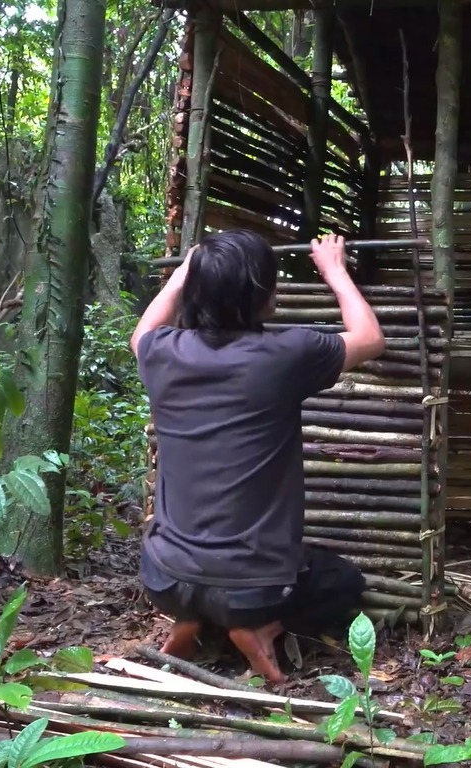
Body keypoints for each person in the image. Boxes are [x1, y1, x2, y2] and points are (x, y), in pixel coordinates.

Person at [130, 229, 386, 683]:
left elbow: (141, 332)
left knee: (209, 574)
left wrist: (186, 271)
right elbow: (369, 338)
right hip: (254, 592)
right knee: (342, 582)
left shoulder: (160, 353)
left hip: (163, 579)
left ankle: (192, 618)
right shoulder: (285, 354)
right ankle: (259, 628)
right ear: (261, 294)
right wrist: (334, 270)